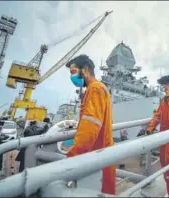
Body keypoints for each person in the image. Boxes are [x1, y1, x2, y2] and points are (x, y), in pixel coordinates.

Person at [65, 54, 115, 195]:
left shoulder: (95, 89)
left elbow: (90, 127)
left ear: (85, 69)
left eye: (74, 72)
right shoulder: (98, 88)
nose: (72, 77)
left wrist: (71, 157)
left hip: (96, 157)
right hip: (102, 154)